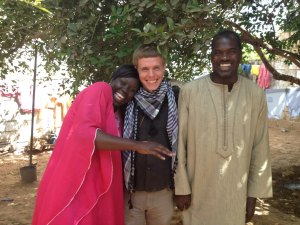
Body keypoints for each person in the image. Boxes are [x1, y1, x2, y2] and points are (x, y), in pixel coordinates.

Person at [32, 64, 173, 225]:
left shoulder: (118, 111)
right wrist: (138, 145)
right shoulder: (100, 89)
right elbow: (85, 134)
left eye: (132, 90)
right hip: (80, 179)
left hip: (101, 183)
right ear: (112, 79)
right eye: (123, 83)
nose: (125, 91)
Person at [174, 30, 273, 225]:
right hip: (197, 191)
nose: (224, 57)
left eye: (231, 51)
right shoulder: (190, 92)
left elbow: (260, 147)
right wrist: (181, 186)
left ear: (240, 55)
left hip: (236, 194)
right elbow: (180, 144)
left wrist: (252, 195)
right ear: (211, 57)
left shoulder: (255, 94)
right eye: (218, 53)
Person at [122, 44, 178, 225]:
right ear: (137, 70)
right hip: (131, 193)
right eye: (144, 69)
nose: (151, 75)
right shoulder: (126, 99)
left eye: (156, 68)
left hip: (164, 191)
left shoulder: (177, 97)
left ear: (164, 68)